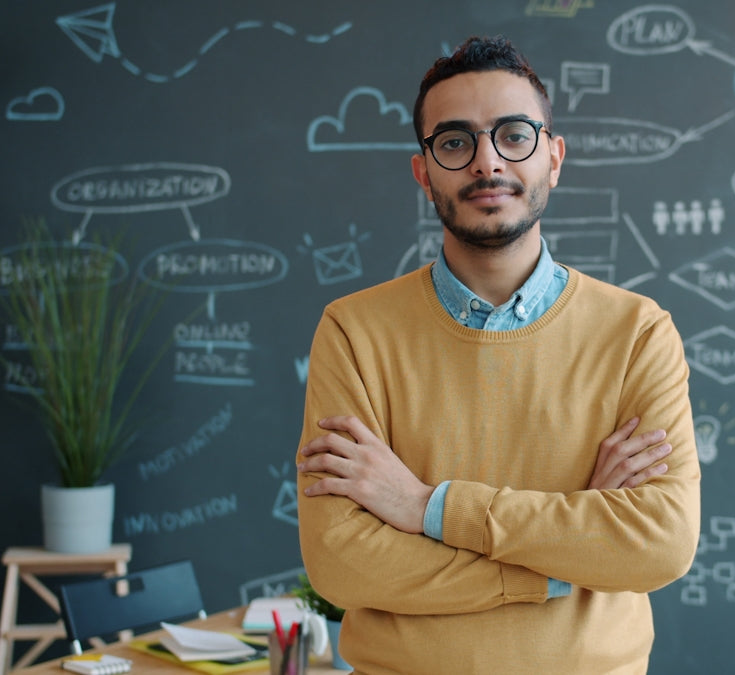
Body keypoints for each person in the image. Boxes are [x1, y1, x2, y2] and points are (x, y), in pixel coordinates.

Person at [296, 35, 700, 674]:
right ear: (423, 171)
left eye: (514, 135)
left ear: (554, 157)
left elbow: (659, 547)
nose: (487, 162)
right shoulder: (353, 332)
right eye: (455, 142)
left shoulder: (637, 333)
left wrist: (427, 506)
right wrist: (561, 566)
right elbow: (342, 566)